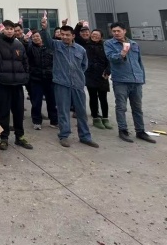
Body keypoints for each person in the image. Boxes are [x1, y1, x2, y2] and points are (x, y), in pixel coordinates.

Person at [40, 18, 98, 149]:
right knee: (63, 111)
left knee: (81, 111)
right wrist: (44, 28)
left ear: (73, 36)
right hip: (62, 84)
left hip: (78, 84)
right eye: (62, 34)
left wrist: (77, 76)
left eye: (67, 35)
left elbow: (84, 66)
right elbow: (47, 40)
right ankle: (64, 135)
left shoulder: (80, 50)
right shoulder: (56, 46)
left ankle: (85, 136)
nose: (65, 37)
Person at [104, 23, 155, 144]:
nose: (116, 33)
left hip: (136, 80)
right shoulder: (109, 44)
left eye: (118, 31)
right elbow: (111, 58)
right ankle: (123, 130)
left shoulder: (134, 44)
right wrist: (122, 53)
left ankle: (140, 131)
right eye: (114, 31)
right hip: (121, 80)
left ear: (124, 31)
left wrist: (142, 77)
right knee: (121, 107)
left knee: (137, 107)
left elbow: (139, 62)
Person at [0, 21, 33, 150]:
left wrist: (25, 76)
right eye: (6, 29)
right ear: (3, 30)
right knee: (3, 113)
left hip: (17, 84)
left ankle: (20, 137)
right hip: (2, 84)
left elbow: (25, 61)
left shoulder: (19, 44)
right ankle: (4, 138)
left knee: (18, 112)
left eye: (11, 29)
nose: (9, 31)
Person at [26, 30, 58, 130]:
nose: (35, 38)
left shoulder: (50, 47)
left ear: (42, 37)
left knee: (52, 101)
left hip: (50, 78)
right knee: (36, 102)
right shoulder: (30, 48)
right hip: (36, 79)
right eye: (33, 37)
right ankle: (37, 121)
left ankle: (54, 121)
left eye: (37, 36)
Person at [85, 29, 112, 130]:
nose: (94, 36)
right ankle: (95, 118)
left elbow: (109, 60)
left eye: (97, 35)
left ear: (101, 37)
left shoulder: (105, 46)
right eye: (93, 34)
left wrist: (108, 71)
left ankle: (105, 118)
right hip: (90, 75)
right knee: (93, 97)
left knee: (103, 98)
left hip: (102, 75)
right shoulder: (86, 45)